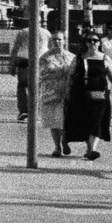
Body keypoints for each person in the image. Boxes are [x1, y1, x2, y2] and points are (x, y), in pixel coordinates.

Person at [70, 31, 112, 165]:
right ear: (85, 43)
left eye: (95, 40)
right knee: (85, 122)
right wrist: (68, 92)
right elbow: (70, 75)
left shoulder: (105, 58)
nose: (92, 43)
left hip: (100, 95)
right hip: (81, 94)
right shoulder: (79, 58)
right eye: (89, 40)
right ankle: (89, 148)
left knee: (96, 122)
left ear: (99, 43)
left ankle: (92, 149)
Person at [39, 28, 79, 159]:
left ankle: (65, 141)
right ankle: (57, 147)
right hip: (51, 92)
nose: (57, 42)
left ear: (64, 41)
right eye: (54, 39)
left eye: (59, 39)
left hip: (67, 93)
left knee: (64, 120)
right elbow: (41, 74)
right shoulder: (44, 57)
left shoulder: (72, 57)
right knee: (53, 121)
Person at [10, 16, 36, 122]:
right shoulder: (46, 33)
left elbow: (15, 49)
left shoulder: (22, 32)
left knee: (22, 86)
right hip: (39, 61)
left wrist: (12, 65)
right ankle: (34, 111)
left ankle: (23, 111)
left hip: (24, 61)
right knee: (36, 87)